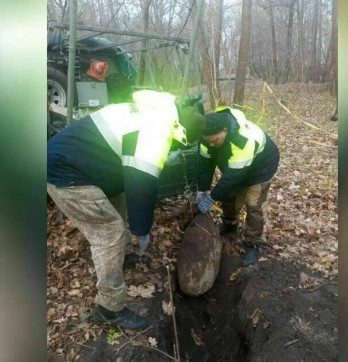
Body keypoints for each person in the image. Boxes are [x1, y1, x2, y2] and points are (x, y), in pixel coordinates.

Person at [47, 90, 202, 330]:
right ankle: (109, 308)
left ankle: (125, 256)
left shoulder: (157, 110)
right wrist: (142, 231)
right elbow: (141, 186)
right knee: (110, 232)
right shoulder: (156, 133)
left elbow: (131, 181)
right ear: (181, 131)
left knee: (117, 200)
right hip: (67, 173)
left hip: (85, 164)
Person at [196, 106, 280, 266]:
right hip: (235, 165)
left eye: (215, 141)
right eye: (209, 141)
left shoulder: (242, 139)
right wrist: (203, 190)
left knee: (254, 204)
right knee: (229, 196)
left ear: (225, 130)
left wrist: (212, 197)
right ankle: (230, 225)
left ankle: (254, 243)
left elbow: (233, 177)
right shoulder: (206, 140)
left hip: (261, 167)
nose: (212, 145)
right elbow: (204, 165)